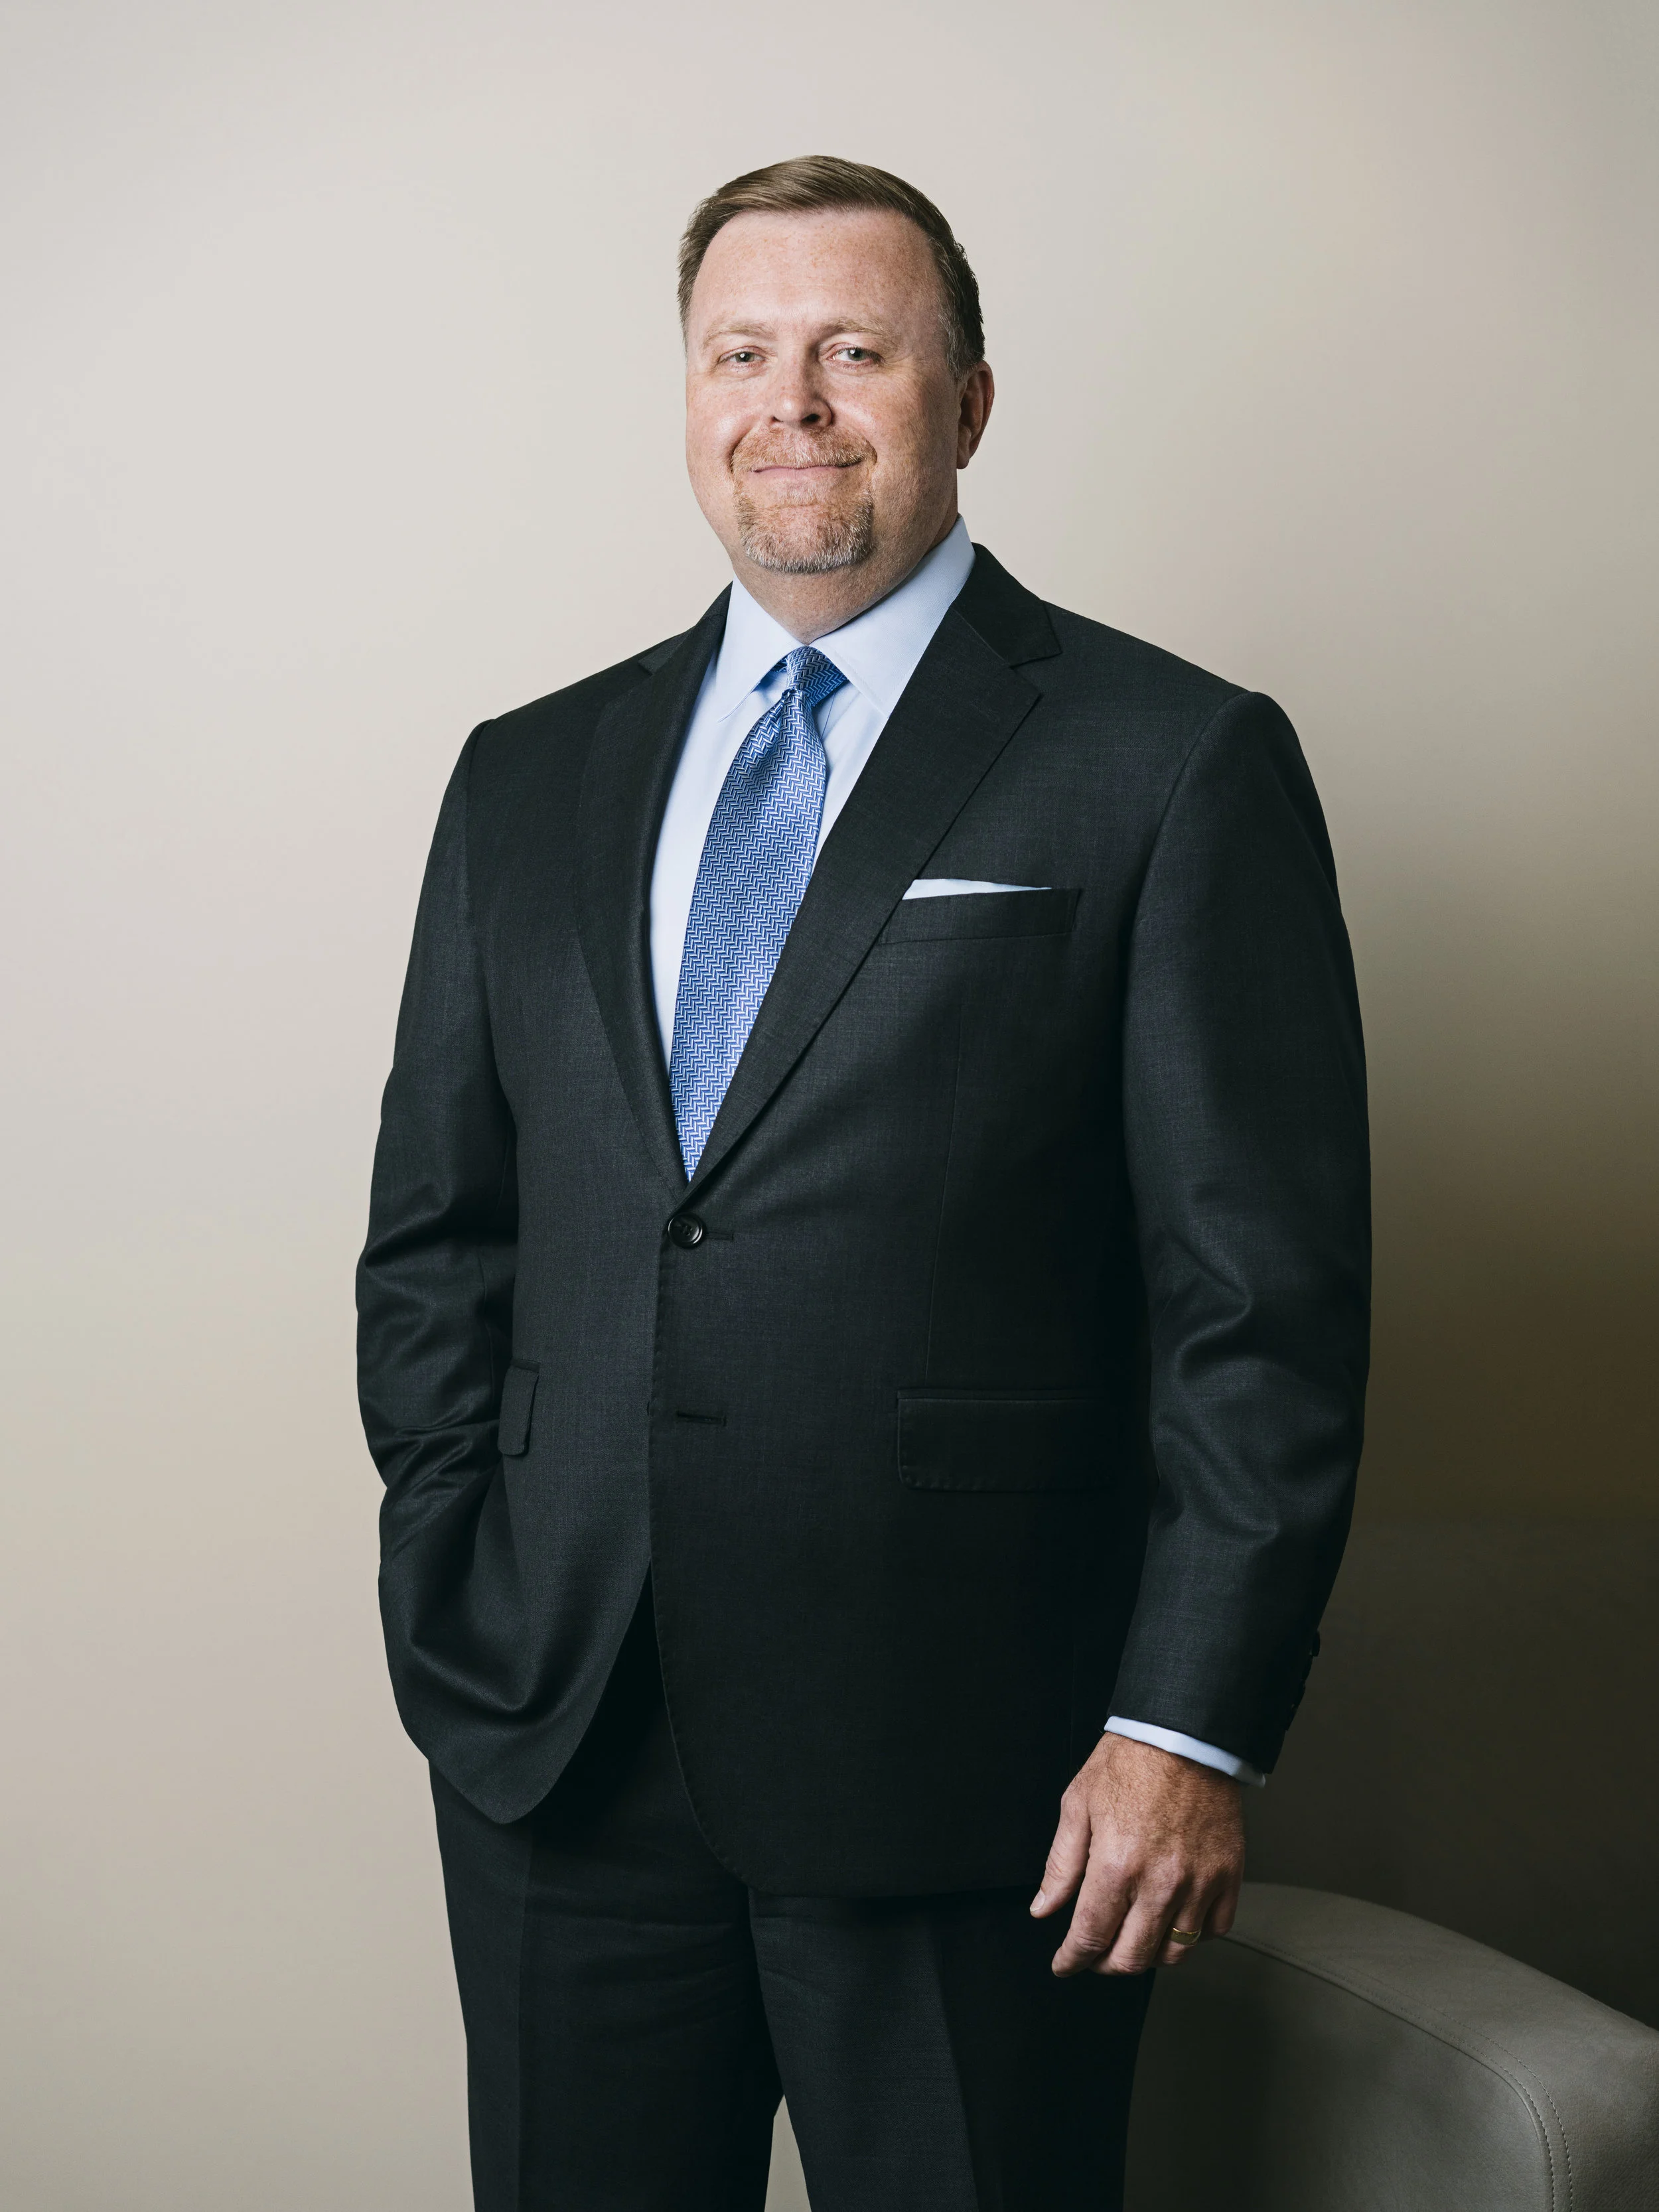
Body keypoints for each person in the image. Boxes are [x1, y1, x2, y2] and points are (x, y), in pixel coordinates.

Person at [356, 155, 1370, 2211]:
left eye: (853, 351)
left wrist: (1180, 1727)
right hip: (563, 1737)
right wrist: (460, 1578)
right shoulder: (524, 773)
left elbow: (1257, 1310)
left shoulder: (1166, 759)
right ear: (687, 394)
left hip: (985, 1772)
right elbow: (438, 1241)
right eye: (740, 352)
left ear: (964, 401)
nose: (790, 403)